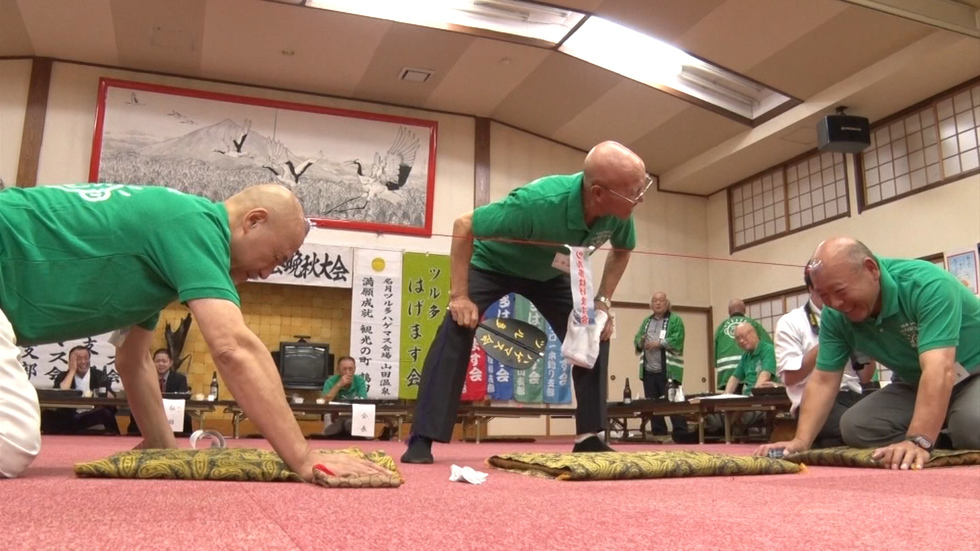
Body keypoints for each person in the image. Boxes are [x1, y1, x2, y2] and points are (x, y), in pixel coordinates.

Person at [0, 183, 386, 480]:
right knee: (12, 442)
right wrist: (303, 456)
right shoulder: (195, 225)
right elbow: (232, 347)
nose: (268, 273)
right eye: (276, 257)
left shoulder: (168, 242)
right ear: (253, 220)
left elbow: (133, 360)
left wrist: (161, 447)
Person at [401, 141, 644, 464]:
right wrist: (459, 296)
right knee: (456, 326)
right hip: (494, 264)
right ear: (598, 192)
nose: (640, 197)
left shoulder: (620, 210)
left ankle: (590, 437)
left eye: (642, 187)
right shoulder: (537, 203)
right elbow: (464, 225)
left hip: (550, 273)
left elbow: (623, 251)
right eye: (634, 192)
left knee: (593, 331)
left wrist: (602, 302)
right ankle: (422, 437)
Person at [758, 238, 980, 470]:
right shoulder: (835, 316)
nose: (836, 303)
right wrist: (801, 441)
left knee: (971, 428)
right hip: (913, 382)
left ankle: (943, 431)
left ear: (871, 269)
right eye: (824, 296)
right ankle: (943, 433)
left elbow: (939, 368)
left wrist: (918, 440)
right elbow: (824, 379)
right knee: (857, 427)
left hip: (971, 372)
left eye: (840, 291)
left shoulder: (926, 284)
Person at [774, 267, 871, 447]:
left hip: (853, 395)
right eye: (826, 291)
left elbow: (865, 377)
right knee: (858, 429)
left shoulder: (848, 315)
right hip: (813, 401)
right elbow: (789, 377)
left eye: (839, 289)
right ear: (812, 288)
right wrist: (830, 341)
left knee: (887, 422)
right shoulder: (791, 322)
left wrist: (866, 342)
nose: (835, 299)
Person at [633, 291, 690, 438]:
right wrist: (640, 341)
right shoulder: (646, 322)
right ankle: (659, 433)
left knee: (673, 402)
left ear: (667, 303)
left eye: (661, 300)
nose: (658, 303)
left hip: (669, 370)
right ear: (651, 304)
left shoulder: (675, 320)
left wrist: (659, 343)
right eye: (655, 300)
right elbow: (637, 339)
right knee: (653, 404)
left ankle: (681, 433)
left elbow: (678, 339)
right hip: (648, 370)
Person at [43, 346, 120, 435]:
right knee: (46, 415)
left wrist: (99, 393)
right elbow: (61, 393)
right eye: (78, 359)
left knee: (104, 413)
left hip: (90, 415)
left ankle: (72, 429)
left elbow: (109, 395)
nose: (83, 362)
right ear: (70, 362)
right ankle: (74, 429)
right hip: (69, 415)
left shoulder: (98, 375)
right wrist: (72, 371)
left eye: (86, 358)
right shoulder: (63, 376)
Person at [127, 349, 191, 436]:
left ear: (170, 363)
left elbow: (182, 396)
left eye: (164, 361)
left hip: (172, 410)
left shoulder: (180, 378)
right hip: (150, 408)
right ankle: (134, 436)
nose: (161, 364)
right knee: (136, 412)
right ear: (152, 363)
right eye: (157, 361)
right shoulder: (145, 377)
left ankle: (184, 438)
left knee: (186, 417)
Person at [713, 299, 771, 391]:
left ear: (729, 311)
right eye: (738, 338)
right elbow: (769, 343)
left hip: (725, 372)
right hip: (748, 373)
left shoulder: (721, 327)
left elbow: (714, 354)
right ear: (744, 310)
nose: (742, 341)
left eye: (745, 336)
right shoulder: (753, 324)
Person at [320, 356, 368, 438]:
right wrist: (338, 385)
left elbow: (363, 401)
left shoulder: (360, 381)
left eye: (350, 369)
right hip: (334, 414)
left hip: (353, 414)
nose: (347, 372)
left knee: (356, 430)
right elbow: (325, 401)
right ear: (338, 369)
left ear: (355, 369)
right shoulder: (330, 381)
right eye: (344, 369)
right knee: (330, 431)